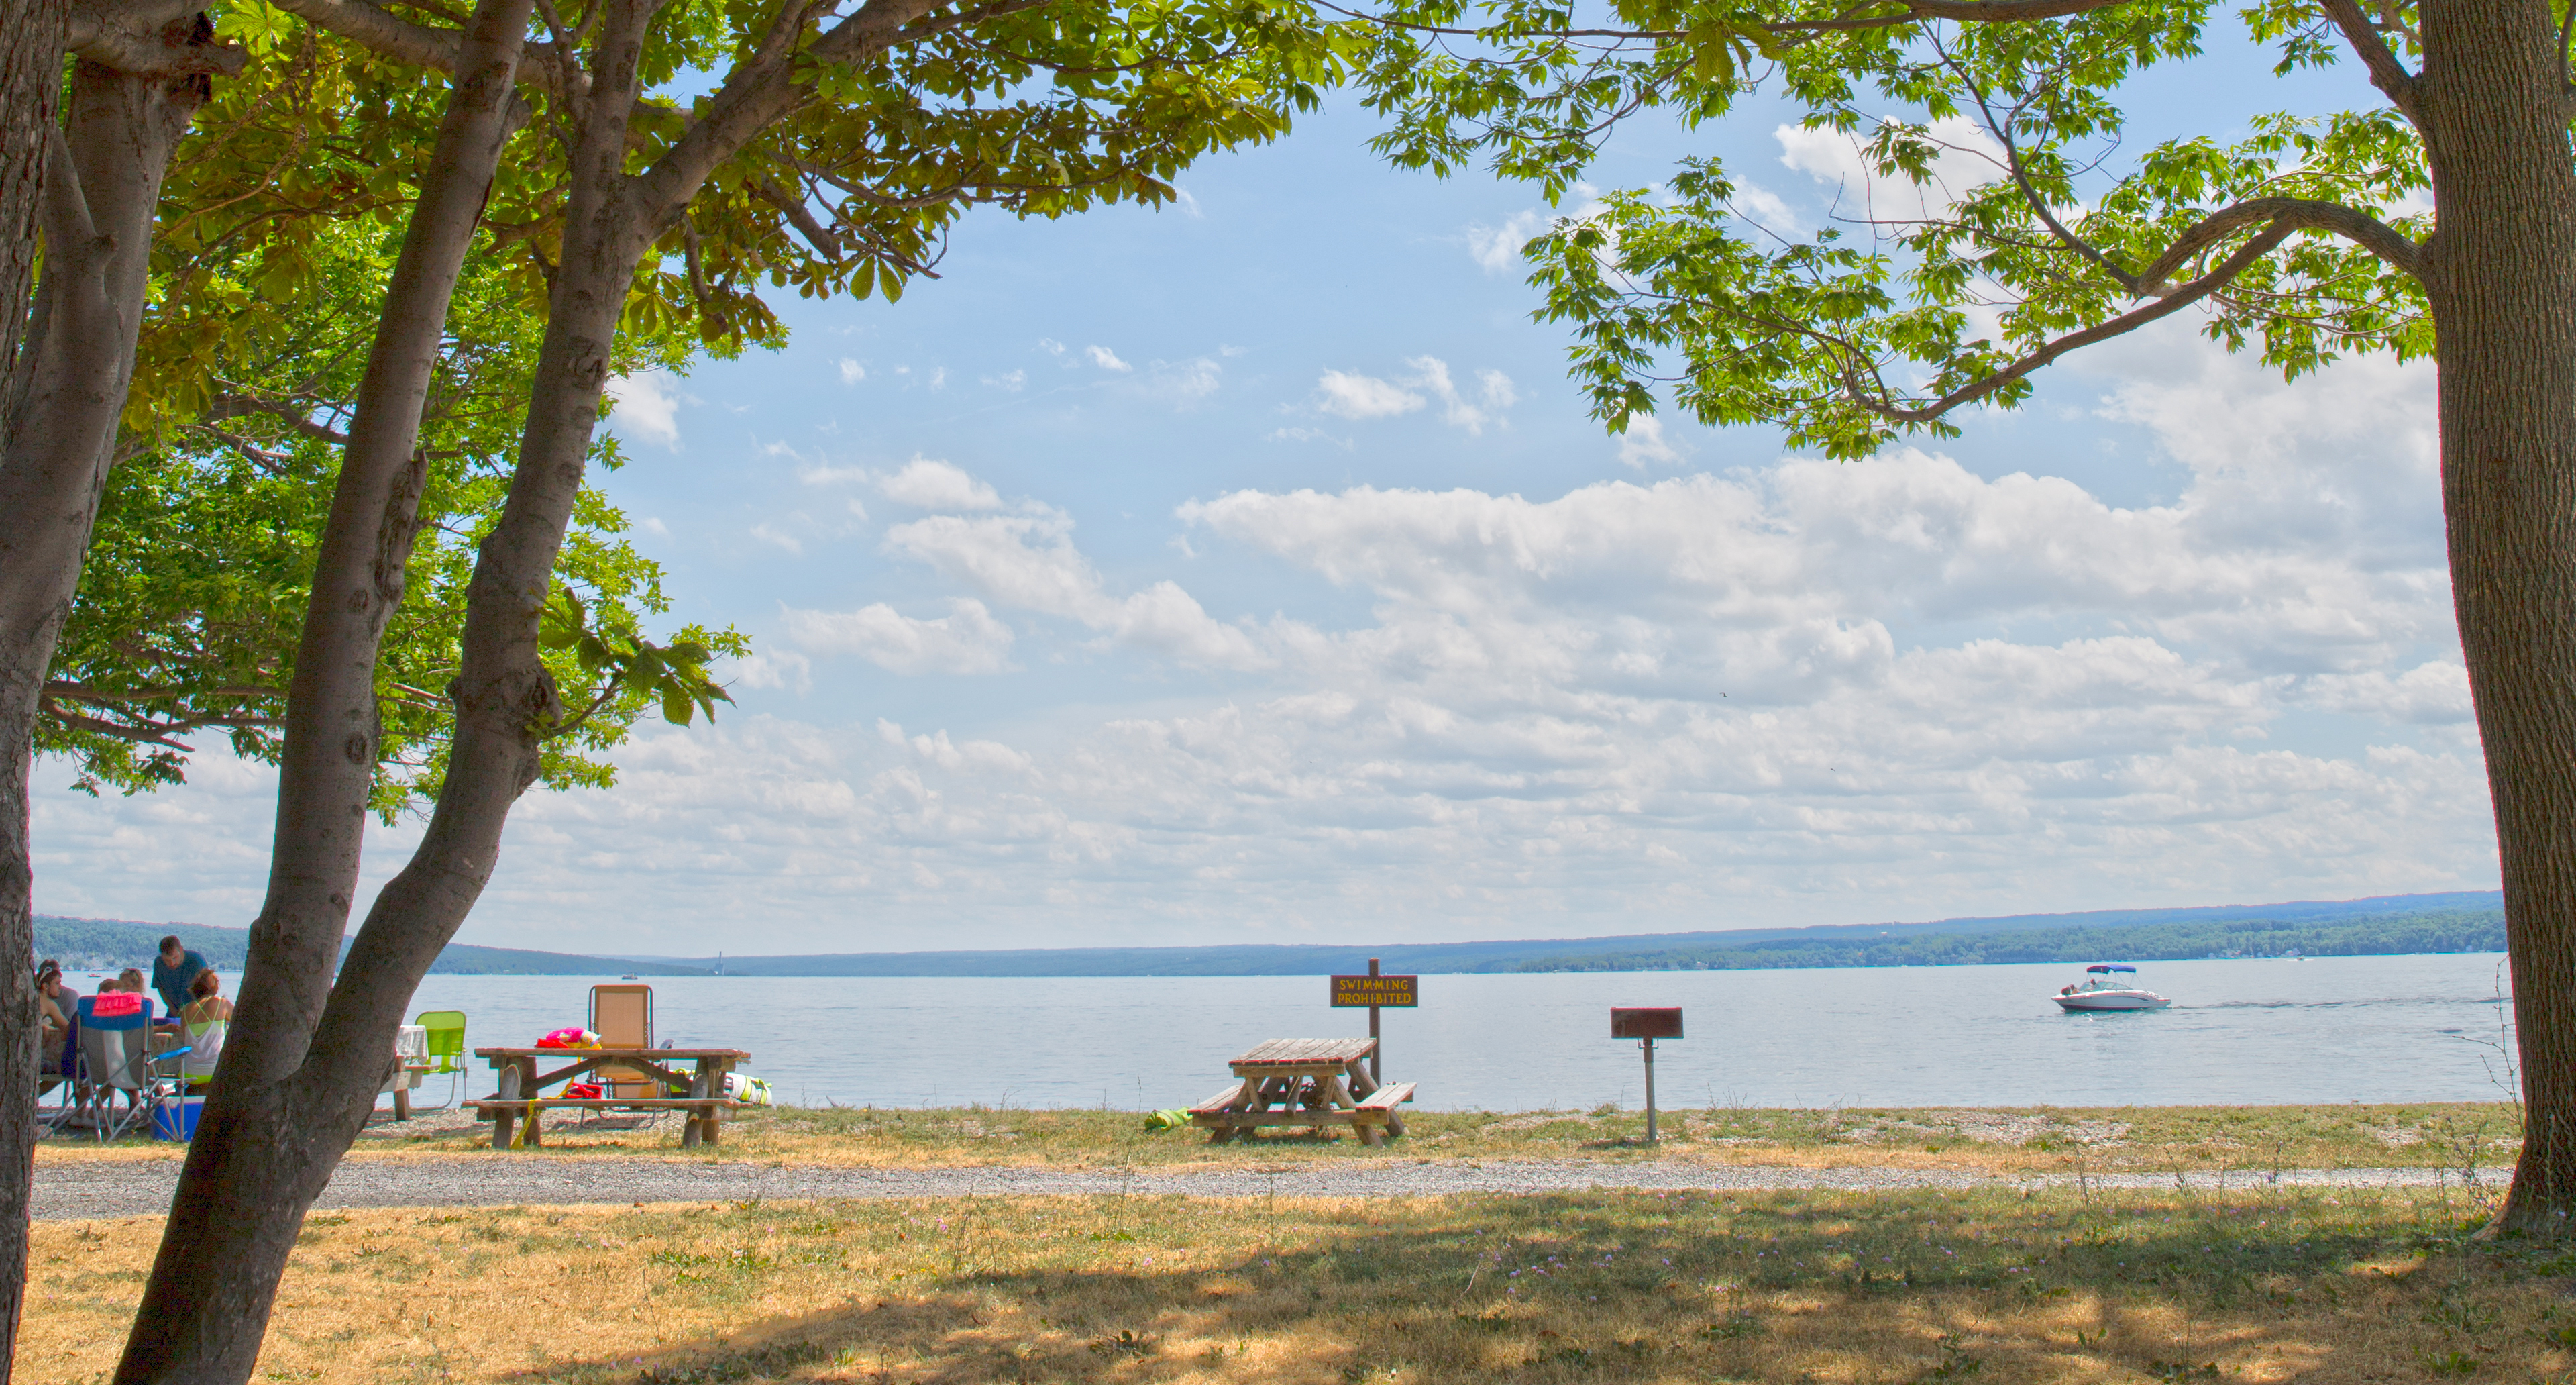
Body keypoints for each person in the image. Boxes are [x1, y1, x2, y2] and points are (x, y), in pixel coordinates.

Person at [179, 970, 231, 1090]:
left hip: (190, 1072)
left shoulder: (186, 1010)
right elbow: (240, 1022)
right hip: (215, 1071)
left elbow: (185, 1037)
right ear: (214, 987)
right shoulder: (221, 1003)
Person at [151, 936, 207, 1018]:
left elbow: (207, 990)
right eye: (167, 960)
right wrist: (172, 1008)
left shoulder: (196, 961)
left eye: (175, 958)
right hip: (174, 1013)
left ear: (181, 950)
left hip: (198, 1012)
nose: (172, 963)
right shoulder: (159, 963)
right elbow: (160, 988)